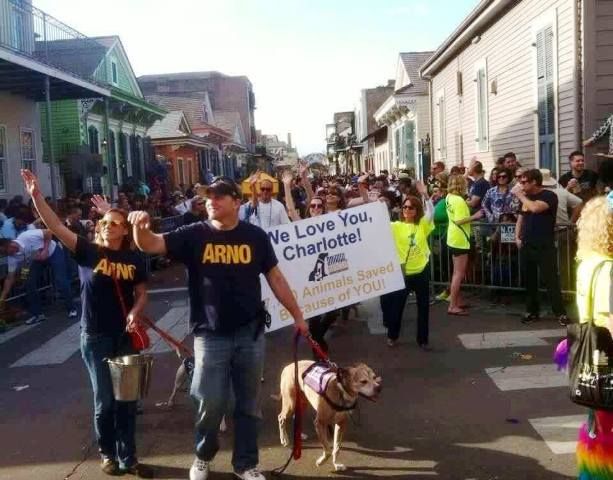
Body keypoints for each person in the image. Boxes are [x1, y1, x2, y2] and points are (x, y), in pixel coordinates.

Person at [126, 176, 308, 480]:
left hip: (250, 333)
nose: (212, 201)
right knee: (209, 401)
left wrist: (298, 315)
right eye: (208, 196)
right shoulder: (194, 234)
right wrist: (138, 226)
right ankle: (203, 455)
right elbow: (152, 243)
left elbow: (275, 278)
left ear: (237, 202)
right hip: (210, 336)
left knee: (249, 404)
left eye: (220, 196)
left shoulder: (255, 237)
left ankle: (246, 464)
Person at [19, 169, 151, 477]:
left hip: (124, 336)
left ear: (123, 231)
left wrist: (136, 310)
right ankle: (107, 453)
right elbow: (53, 224)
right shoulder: (88, 252)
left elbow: (143, 293)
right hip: (94, 337)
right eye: (104, 222)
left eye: (114, 223)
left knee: (126, 401)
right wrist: (36, 194)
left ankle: (128, 455)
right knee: (105, 401)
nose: (107, 226)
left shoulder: (134, 260)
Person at [573, 194, 613, 479]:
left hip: (593, 359)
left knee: (598, 426)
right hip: (608, 354)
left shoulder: (588, 262)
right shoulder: (609, 268)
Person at [380, 181, 434, 349]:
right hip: (404, 273)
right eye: (405, 207)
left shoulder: (422, 225)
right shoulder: (396, 226)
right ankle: (392, 335)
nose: (407, 210)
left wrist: (425, 194)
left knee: (423, 307)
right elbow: (376, 225)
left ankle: (423, 340)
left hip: (421, 271)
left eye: (411, 208)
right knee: (398, 307)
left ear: (417, 210)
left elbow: (431, 213)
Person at [511, 169, 568, 325]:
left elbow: (536, 208)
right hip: (527, 243)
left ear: (534, 182)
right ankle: (532, 311)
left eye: (524, 182)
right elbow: (520, 219)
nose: (521, 185)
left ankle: (560, 313)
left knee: (551, 279)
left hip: (544, 244)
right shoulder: (526, 198)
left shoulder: (549, 196)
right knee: (529, 280)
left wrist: (520, 195)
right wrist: (517, 237)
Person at [0, 227, 77, 325]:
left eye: (5, 252)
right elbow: (10, 278)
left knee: (60, 279)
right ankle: (38, 314)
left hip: (52, 252)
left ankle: (71, 308)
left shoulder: (26, 236)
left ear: (10, 245)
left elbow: (48, 232)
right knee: (28, 283)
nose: (6, 254)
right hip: (37, 259)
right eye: (3, 253)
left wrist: (45, 250)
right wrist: (3, 297)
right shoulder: (12, 258)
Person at [445, 174, 482, 315]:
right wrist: (475, 216)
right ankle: (453, 305)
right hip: (460, 238)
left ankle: (456, 300)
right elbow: (460, 220)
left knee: (456, 273)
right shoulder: (458, 200)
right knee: (458, 274)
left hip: (453, 237)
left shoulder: (449, 197)